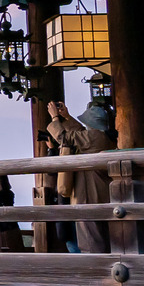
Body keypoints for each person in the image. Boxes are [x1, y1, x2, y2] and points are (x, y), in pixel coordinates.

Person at [46, 100, 115, 253]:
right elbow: (80, 133)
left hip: (89, 193)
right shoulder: (101, 137)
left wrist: (55, 118)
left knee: (90, 236)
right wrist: (67, 117)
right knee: (96, 233)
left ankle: (94, 264)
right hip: (96, 189)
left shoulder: (95, 137)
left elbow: (65, 137)